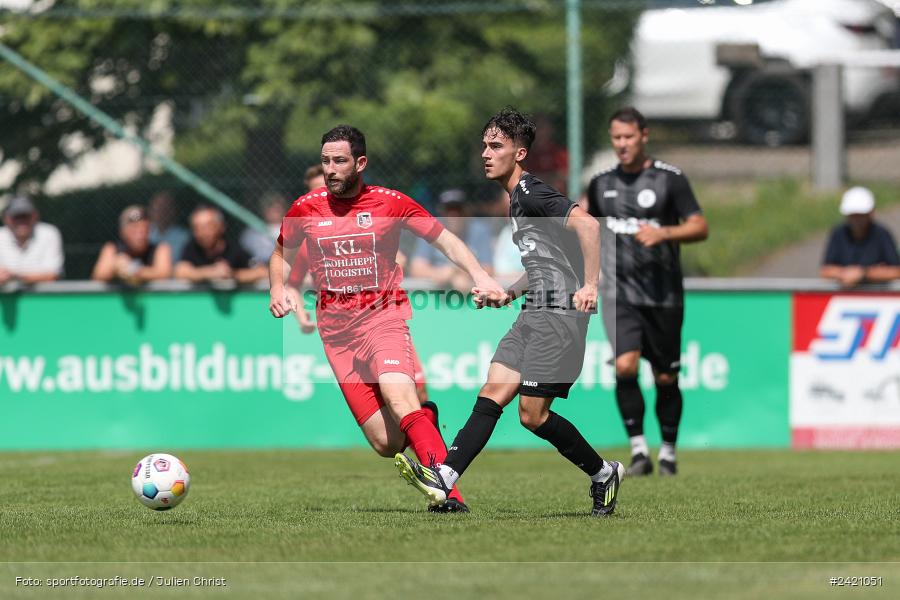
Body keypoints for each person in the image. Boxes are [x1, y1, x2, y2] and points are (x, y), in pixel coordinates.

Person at [394, 108, 626, 517]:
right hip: (534, 309)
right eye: (484, 145)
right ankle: (446, 475)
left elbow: (589, 226)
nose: (486, 153)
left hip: (560, 314)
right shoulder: (515, 200)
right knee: (492, 391)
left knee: (533, 416)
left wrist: (590, 284)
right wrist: (508, 293)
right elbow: (541, 262)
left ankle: (603, 472)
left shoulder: (533, 193)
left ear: (519, 154)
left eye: (496, 146)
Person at [269, 125, 505, 513]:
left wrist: (479, 275)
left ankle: (449, 497)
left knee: (400, 396)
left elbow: (444, 238)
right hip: (337, 336)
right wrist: (278, 289)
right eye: (326, 161)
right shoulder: (305, 208)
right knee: (386, 443)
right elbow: (281, 254)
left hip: (384, 319)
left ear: (360, 163)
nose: (331, 169)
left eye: (339, 161)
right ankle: (426, 420)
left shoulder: (390, 202)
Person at [585, 106, 709, 477]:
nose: (622, 145)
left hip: (663, 295)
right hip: (619, 294)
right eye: (616, 138)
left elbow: (700, 226)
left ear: (644, 136)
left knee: (665, 377)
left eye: (628, 137)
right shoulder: (601, 182)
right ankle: (639, 451)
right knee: (625, 366)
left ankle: (668, 451)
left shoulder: (670, 179)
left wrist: (664, 232)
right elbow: (589, 228)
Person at [408, 188, 494, 292]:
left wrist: (457, 272)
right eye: (449, 210)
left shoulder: (479, 230)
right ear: (441, 212)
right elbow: (416, 269)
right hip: (435, 297)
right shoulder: (430, 229)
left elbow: (489, 269)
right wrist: (440, 274)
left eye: (458, 210)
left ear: (467, 211)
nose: (454, 215)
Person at [820, 186, 900, 288]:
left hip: (878, 297)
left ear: (871, 213)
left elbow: (896, 271)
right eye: (853, 215)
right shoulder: (838, 234)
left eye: (861, 215)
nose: (857, 220)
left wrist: (864, 273)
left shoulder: (882, 234)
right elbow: (826, 270)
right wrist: (846, 274)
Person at [175, 205, 268, 284]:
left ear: (221, 227)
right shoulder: (192, 248)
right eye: (197, 228)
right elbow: (181, 271)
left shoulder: (234, 249)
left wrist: (232, 275)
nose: (203, 232)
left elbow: (262, 271)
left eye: (208, 226)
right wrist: (210, 272)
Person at [91, 205, 173, 284]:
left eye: (145, 229)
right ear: (123, 232)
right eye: (135, 229)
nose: (141, 235)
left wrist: (132, 270)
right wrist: (115, 267)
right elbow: (98, 275)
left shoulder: (160, 248)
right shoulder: (112, 248)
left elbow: (164, 273)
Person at [0, 195, 64, 285]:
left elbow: (53, 274)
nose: (21, 221)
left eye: (25, 216)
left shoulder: (49, 233)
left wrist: (15, 277)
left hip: (44, 297)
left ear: (35, 216)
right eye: (16, 217)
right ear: (6, 219)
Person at [240, 192, 288, 266]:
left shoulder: (291, 229)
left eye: (277, 209)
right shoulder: (251, 232)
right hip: (257, 267)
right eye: (270, 207)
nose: (273, 212)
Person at [148, 192, 190, 262]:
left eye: (164, 208)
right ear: (150, 210)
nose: (160, 212)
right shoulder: (144, 233)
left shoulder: (184, 238)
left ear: (173, 211)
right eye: (157, 208)